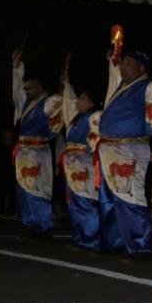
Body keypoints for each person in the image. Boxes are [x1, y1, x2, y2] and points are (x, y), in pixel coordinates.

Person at [97, 48, 152, 259]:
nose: (123, 68)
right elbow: (113, 72)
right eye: (122, 64)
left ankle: (139, 245)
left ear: (142, 68)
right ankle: (113, 241)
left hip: (129, 148)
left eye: (128, 64)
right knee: (109, 197)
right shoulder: (122, 87)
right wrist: (112, 60)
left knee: (129, 196)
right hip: (109, 149)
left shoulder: (147, 86)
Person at [10, 49, 63, 237]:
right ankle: (31, 224)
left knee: (37, 187)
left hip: (38, 152)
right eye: (26, 89)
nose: (26, 92)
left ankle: (43, 226)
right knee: (24, 188)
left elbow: (59, 108)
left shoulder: (48, 102)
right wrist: (17, 66)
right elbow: (17, 91)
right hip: (24, 152)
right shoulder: (27, 103)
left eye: (30, 88)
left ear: (40, 87)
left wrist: (63, 88)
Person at [59, 70, 102, 252]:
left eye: (83, 99)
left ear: (91, 103)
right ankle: (81, 236)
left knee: (85, 200)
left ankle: (91, 239)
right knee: (74, 201)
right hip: (72, 164)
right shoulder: (77, 119)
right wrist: (66, 84)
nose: (78, 101)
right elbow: (68, 102)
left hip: (84, 163)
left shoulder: (94, 117)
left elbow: (96, 141)